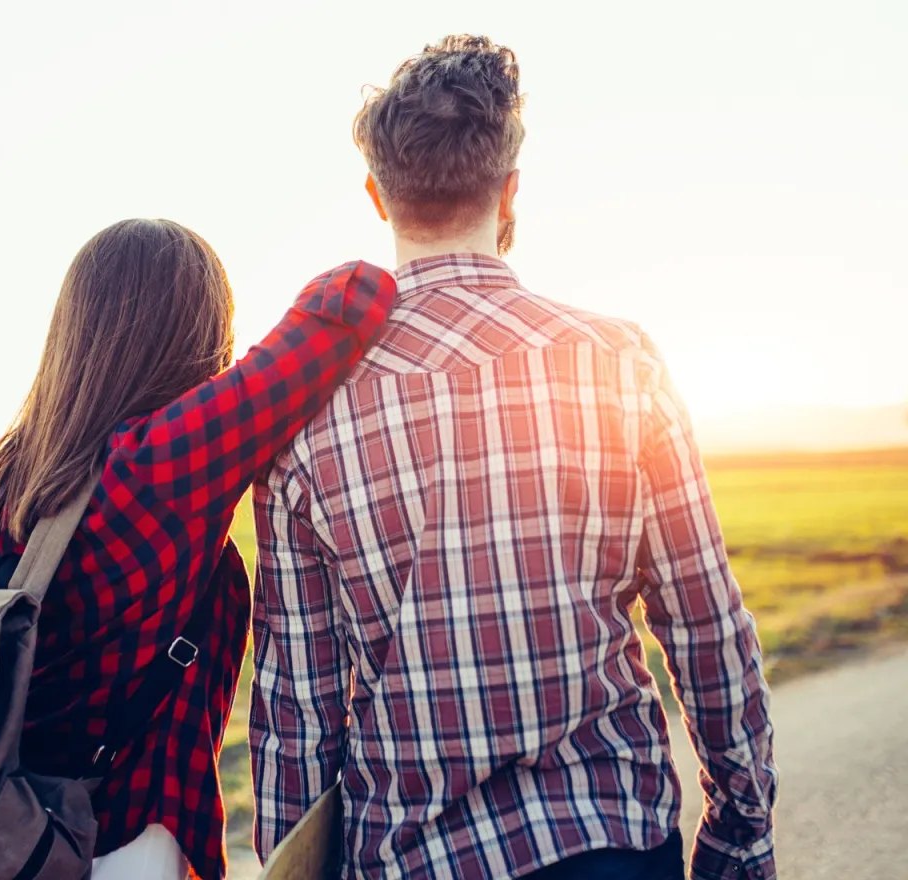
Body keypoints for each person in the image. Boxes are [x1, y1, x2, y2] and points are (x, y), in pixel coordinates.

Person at [249, 35, 777, 880]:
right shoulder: (620, 363)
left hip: (413, 857)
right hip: (611, 843)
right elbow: (704, 619)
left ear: (379, 198)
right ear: (511, 190)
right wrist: (741, 823)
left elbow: (298, 709)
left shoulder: (309, 419)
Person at [0, 218, 395, 880]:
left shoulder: (23, 472)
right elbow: (350, 299)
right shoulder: (154, 471)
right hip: (112, 851)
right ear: (195, 337)